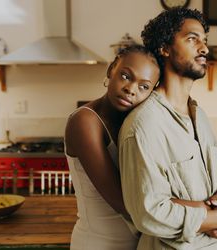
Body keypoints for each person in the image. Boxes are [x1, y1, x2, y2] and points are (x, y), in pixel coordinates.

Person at [118, 7, 217, 250]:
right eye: (192, 39)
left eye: (204, 41)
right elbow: (149, 212)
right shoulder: (144, 125)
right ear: (164, 48)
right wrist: (215, 218)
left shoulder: (199, 115)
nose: (204, 48)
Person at [64, 45, 160, 250]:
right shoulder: (85, 121)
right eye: (126, 76)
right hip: (97, 244)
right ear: (111, 70)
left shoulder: (135, 124)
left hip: (137, 244)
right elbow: (125, 203)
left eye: (144, 86)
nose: (131, 89)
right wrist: (202, 215)